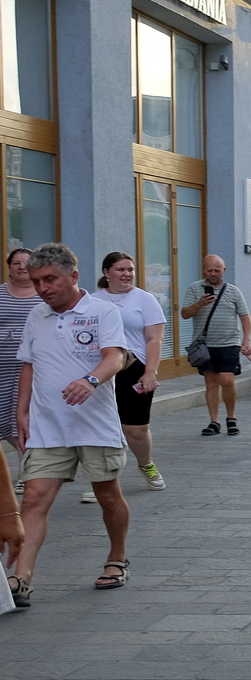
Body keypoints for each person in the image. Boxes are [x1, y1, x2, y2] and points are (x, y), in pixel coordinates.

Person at [5, 243, 132, 607]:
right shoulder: (37, 315)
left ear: (73, 276)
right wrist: (21, 411)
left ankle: (117, 557)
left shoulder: (103, 311)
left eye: (49, 279)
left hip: (94, 425)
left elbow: (115, 356)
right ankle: (22, 578)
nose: (42, 288)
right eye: (36, 281)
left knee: (107, 495)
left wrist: (90, 381)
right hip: (48, 425)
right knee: (34, 498)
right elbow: (29, 363)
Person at [92, 253, 167, 492]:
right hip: (102, 370)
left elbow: (155, 339)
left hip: (135, 369)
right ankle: (102, 479)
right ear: (106, 272)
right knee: (102, 425)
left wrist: (150, 372)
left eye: (130, 270)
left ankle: (146, 464)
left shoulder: (145, 299)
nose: (127, 274)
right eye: (120, 269)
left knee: (135, 429)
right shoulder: (93, 300)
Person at [180, 254, 251, 437]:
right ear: (204, 270)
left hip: (229, 343)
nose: (213, 273)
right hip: (205, 345)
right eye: (210, 270)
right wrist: (200, 303)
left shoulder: (233, 291)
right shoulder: (194, 288)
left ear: (224, 270)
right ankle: (214, 421)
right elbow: (185, 314)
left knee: (227, 381)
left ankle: (231, 417)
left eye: (217, 270)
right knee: (211, 384)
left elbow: (245, 316)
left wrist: (246, 339)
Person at [0, 248, 40, 458]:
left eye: (27, 263)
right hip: (3, 370)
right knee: (4, 420)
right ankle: (26, 461)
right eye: (16, 263)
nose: (22, 267)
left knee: (27, 419)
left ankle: (28, 467)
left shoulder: (45, 295)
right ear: (9, 268)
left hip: (34, 369)